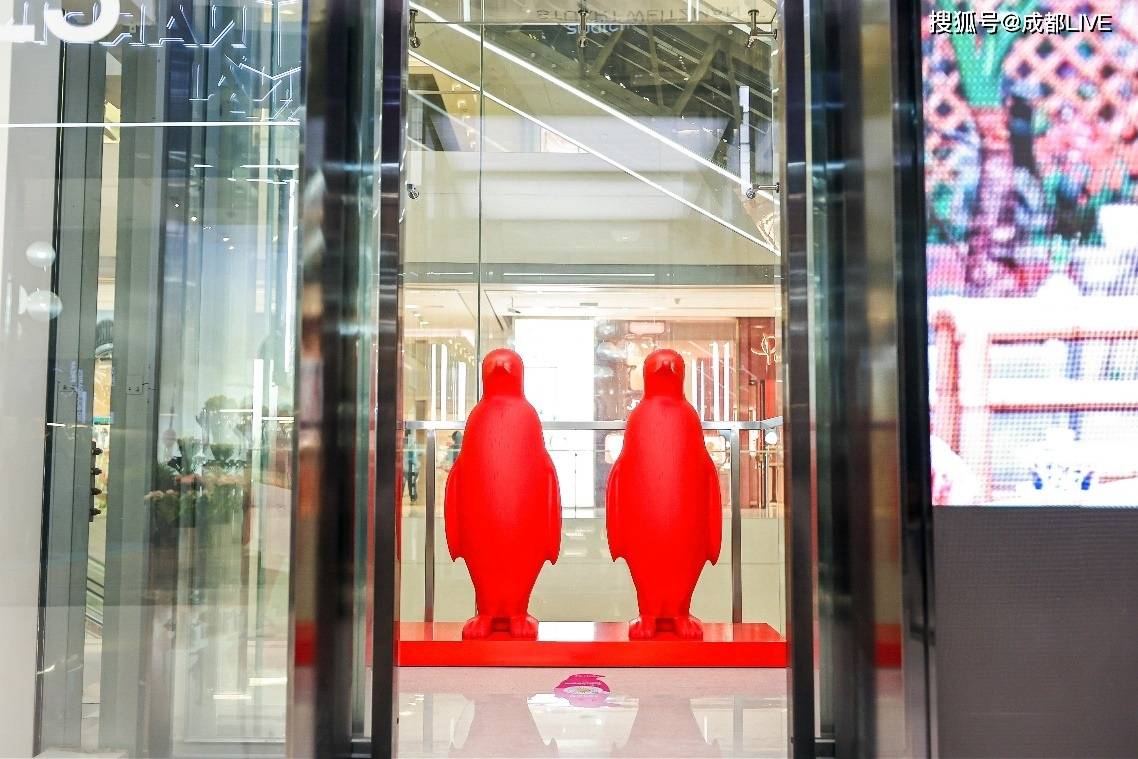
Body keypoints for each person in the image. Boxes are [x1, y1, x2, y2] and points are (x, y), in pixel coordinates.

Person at [403, 430, 420, 502]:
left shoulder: (409, 443)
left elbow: (411, 456)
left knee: (410, 484)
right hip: (409, 467)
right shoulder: (411, 443)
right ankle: (413, 498)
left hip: (409, 467)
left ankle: (413, 498)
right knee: (411, 484)